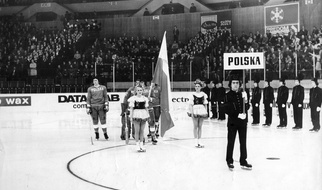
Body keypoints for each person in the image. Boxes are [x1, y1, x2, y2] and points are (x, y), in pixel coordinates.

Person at [224, 73, 252, 170]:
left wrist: (246, 101)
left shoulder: (242, 94)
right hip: (232, 122)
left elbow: (247, 107)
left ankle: (243, 160)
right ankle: (229, 160)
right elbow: (226, 109)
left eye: (237, 83)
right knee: (231, 142)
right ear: (230, 85)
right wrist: (236, 115)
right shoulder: (227, 95)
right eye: (233, 83)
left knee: (243, 142)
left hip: (242, 122)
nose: (235, 84)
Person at [128, 85, 150, 152]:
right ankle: (137, 145)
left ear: (142, 91)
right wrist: (131, 117)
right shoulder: (133, 98)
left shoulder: (145, 98)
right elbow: (131, 108)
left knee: (142, 131)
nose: (139, 91)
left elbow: (146, 108)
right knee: (137, 131)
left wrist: (148, 116)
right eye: (138, 90)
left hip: (143, 114)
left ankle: (141, 145)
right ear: (136, 91)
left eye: (141, 90)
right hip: (136, 114)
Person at [188, 80, 208, 148]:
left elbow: (205, 104)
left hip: (201, 110)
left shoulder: (203, 94)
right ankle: (195, 141)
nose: (197, 87)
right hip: (195, 110)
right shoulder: (192, 95)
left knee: (200, 126)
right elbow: (190, 105)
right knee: (195, 126)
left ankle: (200, 140)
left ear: (201, 87)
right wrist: (191, 112)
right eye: (196, 86)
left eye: (198, 86)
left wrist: (206, 112)